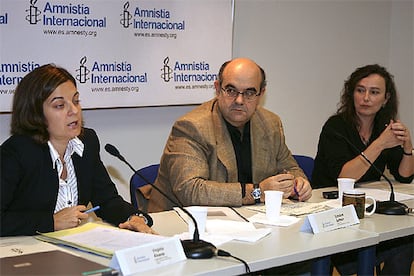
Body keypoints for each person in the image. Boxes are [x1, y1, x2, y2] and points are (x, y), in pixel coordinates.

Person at [0, 64, 155, 236]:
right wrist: (51, 222)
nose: (74, 110)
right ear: (35, 113)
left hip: (70, 247)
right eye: (60, 105)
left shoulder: (86, 143)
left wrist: (134, 217)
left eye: (75, 101)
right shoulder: (16, 153)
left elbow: (107, 201)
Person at [148, 57, 312, 213]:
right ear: (218, 89)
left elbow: (289, 167)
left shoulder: (270, 123)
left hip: (248, 222)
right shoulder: (192, 127)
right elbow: (190, 190)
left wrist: (298, 183)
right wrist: (257, 192)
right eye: (231, 90)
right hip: (182, 225)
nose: (239, 100)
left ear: (261, 94)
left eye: (249, 92)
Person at [312, 64, 413, 275]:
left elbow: (404, 176)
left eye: (374, 92)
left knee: (407, 242)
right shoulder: (336, 127)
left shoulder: (383, 127)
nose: (366, 98)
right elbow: (345, 176)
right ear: (352, 94)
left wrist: (407, 147)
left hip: (368, 214)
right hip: (331, 218)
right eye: (360, 90)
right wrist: (380, 144)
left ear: (386, 99)